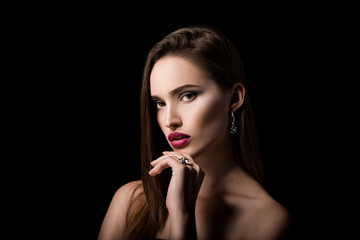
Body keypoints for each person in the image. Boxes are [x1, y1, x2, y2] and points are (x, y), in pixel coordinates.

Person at [98, 25, 290, 240]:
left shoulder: (267, 221)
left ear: (234, 98)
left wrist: (182, 217)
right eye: (160, 103)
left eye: (187, 95)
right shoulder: (132, 201)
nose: (170, 120)